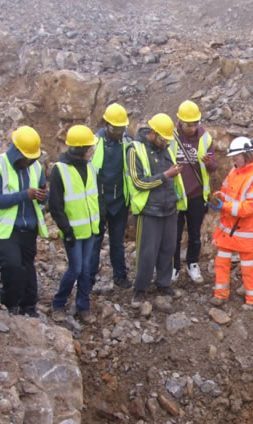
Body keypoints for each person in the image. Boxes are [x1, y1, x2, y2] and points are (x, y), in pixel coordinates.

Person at [0, 126, 48, 316]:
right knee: (12, 265)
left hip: (28, 227)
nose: (29, 161)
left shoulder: (35, 167)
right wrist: (24, 195)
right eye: (26, 157)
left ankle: (29, 306)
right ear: (16, 151)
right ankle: (10, 304)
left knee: (27, 267)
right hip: (4, 229)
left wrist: (43, 196)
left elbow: (43, 196)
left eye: (32, 158)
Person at [126, 113, 186, 308]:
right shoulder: (135, 150)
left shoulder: (165, 148)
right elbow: (138, 182)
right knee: (147, 251)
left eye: (168, 141)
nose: (166, 144)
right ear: (152, 133)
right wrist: (166, 175)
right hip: (148, 210)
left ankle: (163, 283)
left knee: (168, 248)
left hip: (168, 207)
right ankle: (140, 289)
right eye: (163, 140)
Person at [207, 137, 253, 310]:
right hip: (228, 228)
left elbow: (248, 208)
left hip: (246, 232)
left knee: (249, 264)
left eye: (236, 157)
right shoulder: (235, 171)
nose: (233, 160)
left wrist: (224, 206)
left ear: (247, 155)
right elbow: (227, 191)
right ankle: (220, 294)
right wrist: (219, 197)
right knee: (221, 260)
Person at [50, 125, 100, 324]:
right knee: (76, 269)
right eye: (90, 148)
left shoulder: (90, 166)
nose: (93, 151)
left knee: (87, 269)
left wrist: (100, 217)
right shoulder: (59, 170)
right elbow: (55, 205)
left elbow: (95, 197)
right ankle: (58, 303)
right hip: (73, 231)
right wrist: (66, 230)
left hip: (90, 229)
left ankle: (83, 306)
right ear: (81, 150)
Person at [169, 100, 217, 284]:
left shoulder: (205, 138)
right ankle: (174, 267)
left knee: (195, 234)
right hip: (177, 195)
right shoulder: (171, 137)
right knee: (175, 234)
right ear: (180, 121)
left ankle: (192, 263)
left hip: (197, 195)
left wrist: (209, 163)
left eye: (196, 123)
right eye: (189, 124)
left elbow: (214, 166)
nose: (193, 127)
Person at [89, 103, 132, 289]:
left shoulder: (127, 143)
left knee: (117, 241)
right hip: (99, 200)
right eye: (116, 128)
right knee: (94, 242)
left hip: (120, 200)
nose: (118, 132)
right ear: (106, 124)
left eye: (122, 128)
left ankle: (120, 276)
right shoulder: (94, 143)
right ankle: (88, 278)